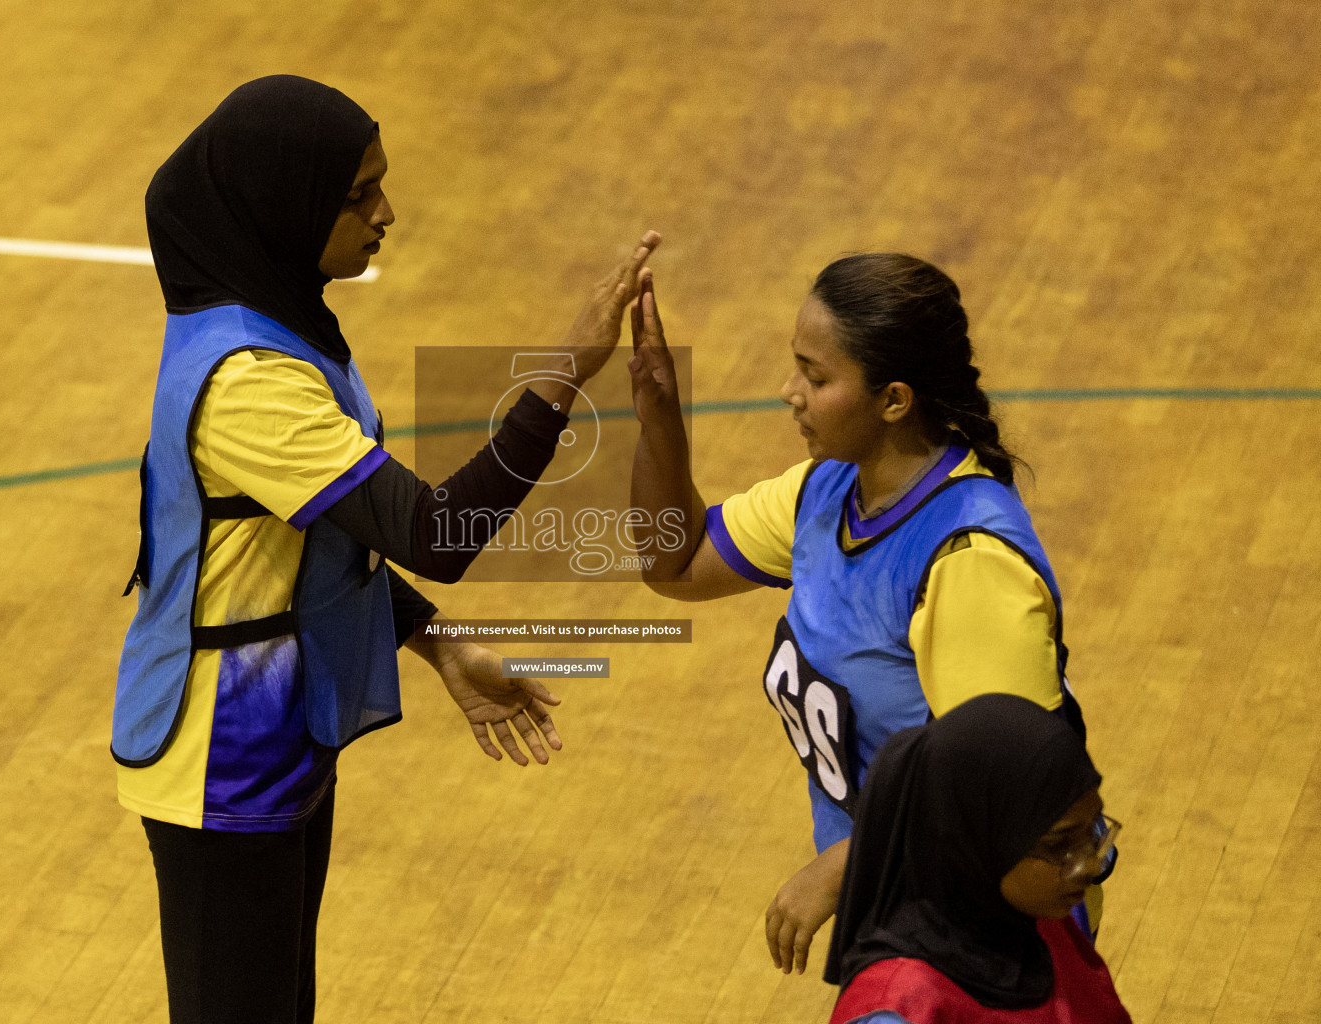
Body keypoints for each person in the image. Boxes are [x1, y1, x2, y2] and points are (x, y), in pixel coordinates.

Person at [113, 75, 659, 1024]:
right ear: (285, 204)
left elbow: (329, 535)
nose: (385, 213)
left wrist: (437, 644)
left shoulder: (280, 324)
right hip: (220, 765)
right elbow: (433, 532)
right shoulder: (249, 380)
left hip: (276, 743)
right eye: (358, 193)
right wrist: (565, 373)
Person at [625, 253, 1103, 975]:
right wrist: (659, 415)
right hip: (903, 907)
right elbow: (676, 563)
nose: (791, 393)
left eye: (817, 378)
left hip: (998, 925)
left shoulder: (967, 560)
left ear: (894, 400)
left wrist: (841, 866)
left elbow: (1002, 784)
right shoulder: (824, 494)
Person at [823, 693, 1132, 1022]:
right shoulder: (901, 1010)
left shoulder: (1043, 925)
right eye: (1058, 846)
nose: (1092, 864)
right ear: (974, 842)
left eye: (1093, 832)